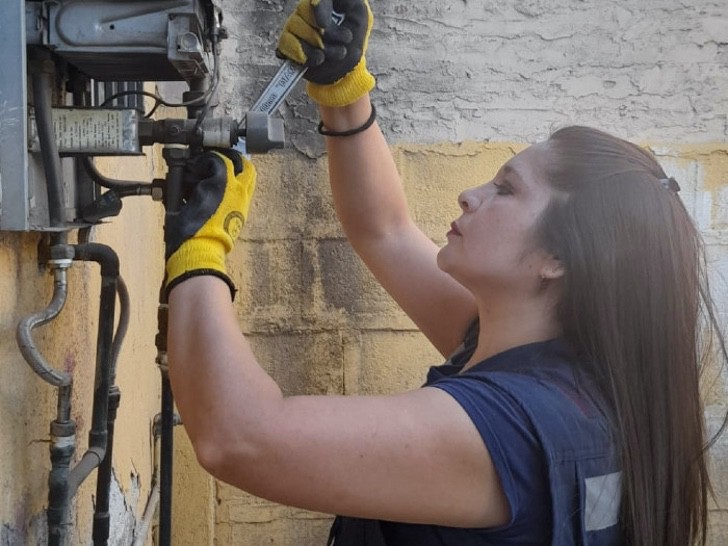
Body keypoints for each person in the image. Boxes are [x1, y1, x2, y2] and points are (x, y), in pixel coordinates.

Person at [165, 0, 726, 544]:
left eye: (505, 189)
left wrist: (200, 250)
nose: (469, 195)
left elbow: (238, 438)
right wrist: (344, 90)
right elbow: (383, 230)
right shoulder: (550, 366)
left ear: (560, 260)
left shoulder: (508, 430)